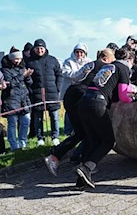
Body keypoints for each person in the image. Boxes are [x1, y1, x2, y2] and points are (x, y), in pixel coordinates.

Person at [44, 49, 115, 179]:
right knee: (87, 133)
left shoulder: (90, 64)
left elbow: (76, 76)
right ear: (108, 58)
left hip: (71, 93)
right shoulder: (106, 67)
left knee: (81, 132)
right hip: (82, 96)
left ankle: (77, 161)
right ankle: (79, 163)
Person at [75, 49, 137, 189]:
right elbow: (123, 96)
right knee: (109, 141)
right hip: (97, 104)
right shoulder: (124, 69)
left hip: (83, 103)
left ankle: (81, 180)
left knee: (94, 142)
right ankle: (86, 168)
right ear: (130, 60)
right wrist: (135, 99)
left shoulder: (108, 67)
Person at [26, 39, 63, 146]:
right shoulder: (29, 62)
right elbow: (27, 79)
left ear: (45, 48)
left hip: (52, 93)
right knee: (38, 118)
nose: (39, 50)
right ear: (34, 49)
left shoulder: (52, 60)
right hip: (37, 93)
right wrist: (30, 86)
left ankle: (55, 137)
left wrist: (57, 88)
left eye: (41, 48)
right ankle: (40, 138)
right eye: (37, 48)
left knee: (54, 117)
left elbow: (59, 74)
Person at [0, 47, 33, 151]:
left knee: (25, 122)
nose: (18, 61)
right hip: (11, 99)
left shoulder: (23, 68)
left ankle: (23, 142)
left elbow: (29, 83)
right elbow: (10, 84)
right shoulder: (5, 70)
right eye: (16, 59)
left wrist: (28, 77)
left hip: (24, 98)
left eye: (19, 58)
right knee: (12, 124)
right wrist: (22, 76)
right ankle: (13, 145)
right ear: (11, 59)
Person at [61, 43, 91, 135]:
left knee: (82, 110)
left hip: (83, 89)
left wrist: (80, 74)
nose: (79, 54)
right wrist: (81, 73)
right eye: (77, 52)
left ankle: (82, 130)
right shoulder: (68, 61)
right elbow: (67, 74)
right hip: (70, 90)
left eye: (81, 52)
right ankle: (68, 131)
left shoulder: (89, 62)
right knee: (69, 111)